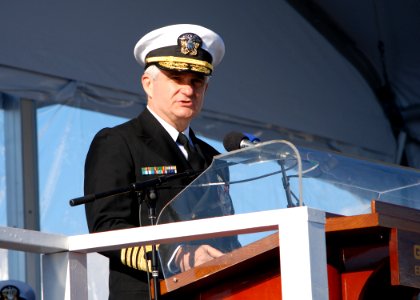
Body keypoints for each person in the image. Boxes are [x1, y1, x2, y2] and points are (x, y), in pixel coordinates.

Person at [84, 24, 239, 300]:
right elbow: (106, 226)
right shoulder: (118, 142)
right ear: (148, 84)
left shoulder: (213, 158)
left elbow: (226, 236)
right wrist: (178, 255)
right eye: (176, 78)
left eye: (196, 81)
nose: (188, 90)